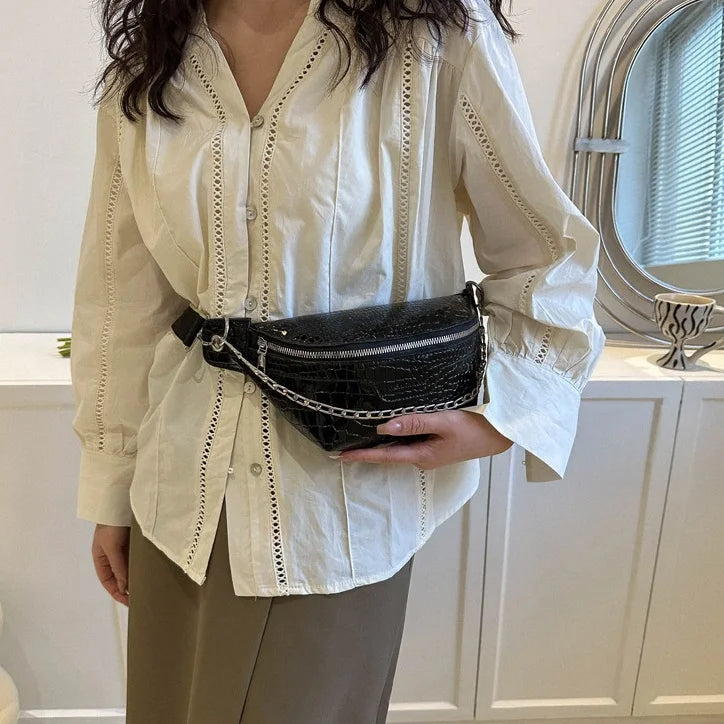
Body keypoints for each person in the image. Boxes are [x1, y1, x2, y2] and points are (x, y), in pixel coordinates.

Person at [70, 0, 606, 721]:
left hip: (337, 508)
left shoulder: (436, 37)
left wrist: (503, 413)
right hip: (176, 499)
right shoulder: (152, 61)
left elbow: (547, 253)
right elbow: (122, 299)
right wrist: (111, 487)